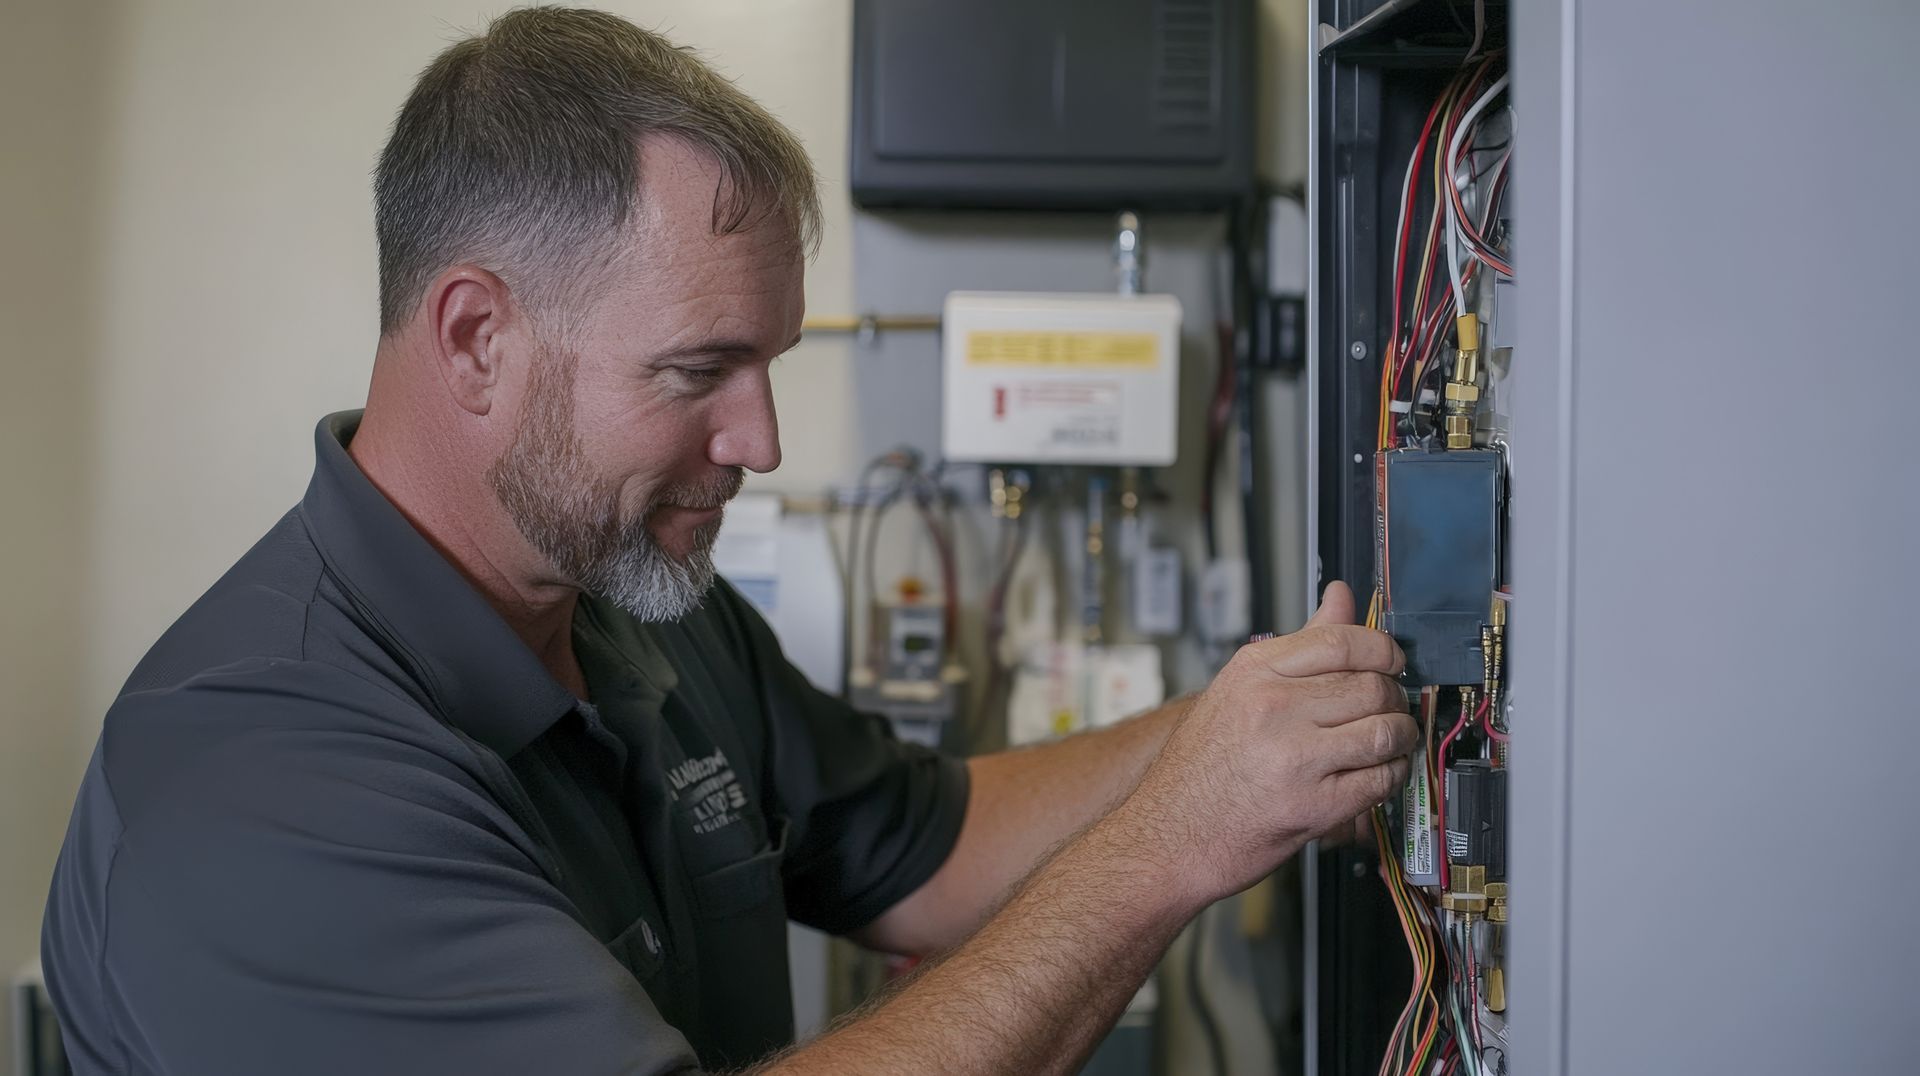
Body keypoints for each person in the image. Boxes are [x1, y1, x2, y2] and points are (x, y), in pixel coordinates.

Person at [41, 7, 1416, 1074]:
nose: (760, 442)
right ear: (476, 340)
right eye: (698, 371)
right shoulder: (256, 780)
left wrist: (1256, 725)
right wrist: (1172, 844)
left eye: (769, 366)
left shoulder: (640, 601)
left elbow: (925, 851)